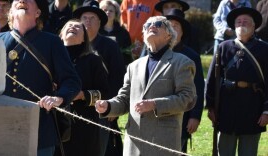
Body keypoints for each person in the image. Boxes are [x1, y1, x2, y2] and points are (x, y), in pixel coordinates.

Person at [95, 16, 197, 156]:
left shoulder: (182, 62)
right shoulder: (133, 66)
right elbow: (125, 99)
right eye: (148, 24)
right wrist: (108, 106)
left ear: (169, 34)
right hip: (134, 144)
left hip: (163, 144)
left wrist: (155, 104)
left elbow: (187, 99)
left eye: (158, 24)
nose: (152, 26)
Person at [0, 0, 81, 155]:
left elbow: (72, 81)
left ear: (38, 12)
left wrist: (59, 98)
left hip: (39, 130)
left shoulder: (52, 42)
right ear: (10, 12)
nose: (22, 0)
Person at [206, 7, 268, 156]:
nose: (241, 23)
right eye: (238, 21)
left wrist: (266, 110)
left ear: (254, 26)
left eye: (246, 21)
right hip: (226, 109)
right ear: (234, 26)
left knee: (248, 152)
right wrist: (211, 106)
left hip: (253, 109)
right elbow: (212, 79)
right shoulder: (223, 47)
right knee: (224, 152)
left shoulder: (264, 49)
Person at [72, 1, 126, 155]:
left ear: (100, 22)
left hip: (101, 108)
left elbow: (118, 77)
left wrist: (112, 106)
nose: (88, 21)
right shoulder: (71, 42)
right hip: (74, 107)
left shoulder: (110, 46)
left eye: (92, 17)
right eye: (84, 17)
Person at [59, 19, 110, 156]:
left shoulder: (93, 60)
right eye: (69, 26)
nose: (73, 27)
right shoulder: (52, 58)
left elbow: (105, 93)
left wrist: (82, 95)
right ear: (61, 35)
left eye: (78, 27)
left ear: (84, 39)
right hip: (55, 123)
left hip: (84, 125)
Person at [164, 9, 204, 154]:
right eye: (168, 25)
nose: (172, 29)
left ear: (182, 32)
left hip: (182, 115)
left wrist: (195, 116)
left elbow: (198, 87)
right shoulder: (153, 53)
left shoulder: (191, 56)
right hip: (155, 116)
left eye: (176, 26)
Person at [99, 0, 132, 66]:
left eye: (111, 11)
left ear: (116, 14)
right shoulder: (96, 31)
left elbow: (128, 56)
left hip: (118, 68)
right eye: (105, 10)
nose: (108, 12)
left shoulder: (123, 33)